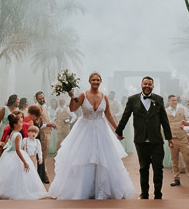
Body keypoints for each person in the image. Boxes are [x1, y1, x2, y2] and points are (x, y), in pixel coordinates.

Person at [50, 72, 136, 200]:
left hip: (101, 130)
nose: (96, 82)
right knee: (83, 158)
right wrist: (72, 96)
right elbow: (73, 109)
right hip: (84, 129)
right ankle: (82, 189)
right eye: (93, 80)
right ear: (90, 81)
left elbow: (108, 115)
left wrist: (118, 130)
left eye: (98, 80)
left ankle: (102, 189)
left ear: (100, 81)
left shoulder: (104, 96)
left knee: (104, 158)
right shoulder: (83, 95)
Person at [115, 76, 173, 199]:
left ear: (153, 86)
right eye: (145, 84)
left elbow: (164, 119)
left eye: (150, 84)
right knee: (143, 168)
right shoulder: (132, 100)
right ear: (141, 85)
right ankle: (144, 193)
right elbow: (125, 116)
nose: (147, 86)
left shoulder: (159, 99)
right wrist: (119, 131)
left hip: (156, 140)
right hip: (140, 140)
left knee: (158, 168)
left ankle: (158, 193)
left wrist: (169, 138)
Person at [0, 114, 49, 201]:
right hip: (16, 154)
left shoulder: (12, 133)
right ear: (15, 125)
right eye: (21, 123)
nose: (22, 125)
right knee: (20, 174)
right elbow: (17, 150)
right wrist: (25, 162)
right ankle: (19, 191)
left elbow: (9, 144)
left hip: (9, 155)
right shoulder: (17, 135)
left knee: (12, 175)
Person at [165, 95, 189, 189]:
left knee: (188, 159)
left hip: (183, 138)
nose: (174, 102)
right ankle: (176, 178)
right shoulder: (165, 111)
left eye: (175, 100)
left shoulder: (183, 109)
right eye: (172, 100)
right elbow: (164, 124)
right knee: (174, 160)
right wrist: (167, 137)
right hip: (172, 139)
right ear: (169, 101)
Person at [27, 105, 50, 184]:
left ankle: (40, 176)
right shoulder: (33, 120)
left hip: (37, 139)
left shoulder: (35, 120)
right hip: (35, 139)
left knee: (39, 156)